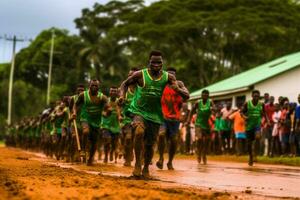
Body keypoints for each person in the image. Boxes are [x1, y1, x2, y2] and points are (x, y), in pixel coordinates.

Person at [119, 50, 189, 178]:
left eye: (159, 62)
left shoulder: (168, 77)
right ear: (149, 62)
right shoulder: (140, 74)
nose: (156, 65)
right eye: (153, 62)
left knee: (150, 144)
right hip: (138, 110)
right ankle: (137, 164)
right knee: (139, 132)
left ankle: (146, 167)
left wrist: (178, 89)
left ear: (162, 63)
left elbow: (187, 96)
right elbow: (124, 84)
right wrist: (122, 96)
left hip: (155, 114)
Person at [156, 67, 189, 170]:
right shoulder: (161, 84)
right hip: (162, 116)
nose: (171, 76)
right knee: (161, 135)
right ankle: (161, 158)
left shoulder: (179, 84)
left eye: (173, 75)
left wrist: (178, 90)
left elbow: (187, 96)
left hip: (175, 119)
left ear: (175, 76)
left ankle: (170, 161)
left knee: (174, 140)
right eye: (169, 74)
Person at [72, 79, 108, 166]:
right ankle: (83, 150)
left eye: (96, 86)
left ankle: (90, 158)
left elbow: (107, 106)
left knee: (94, 142)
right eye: (92, 85)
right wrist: (74, 112)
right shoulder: (83, 95)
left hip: (96, 121)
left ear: (99, 87)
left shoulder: (102, 97)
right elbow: (75, 105)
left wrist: (106, 111)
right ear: (89, 86)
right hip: (85, 118)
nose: (94, 87)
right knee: (85, 131)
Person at [188, 90, 214, 165]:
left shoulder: (211, 102)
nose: (205, 95)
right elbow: (192, 111)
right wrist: (188, 120)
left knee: (206, 141)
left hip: (206, 124)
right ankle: (198, 153)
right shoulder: (197, 102)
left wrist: (213, 110)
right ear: (201, 95)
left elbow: (215, 109)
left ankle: (204, 155)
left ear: (208, 95)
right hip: (198, 124)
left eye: (206, 94)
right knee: (199, 139)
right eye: (204, 94)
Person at [119, 67, 139, 166]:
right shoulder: (124, 90)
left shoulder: (141, 89)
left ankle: (139, 158)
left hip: (139, 117)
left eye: (133, 75)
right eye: (129, 75)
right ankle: (127, 157)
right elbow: (119, 104)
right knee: (128, 138)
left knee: (139, 138)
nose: (131, 77)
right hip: (127, 119)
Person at [242, 90, 266, 166]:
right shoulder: (247, 103)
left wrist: (266, 121)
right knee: (249, 144)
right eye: (255, 96)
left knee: (258, 137)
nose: (256, 97)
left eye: (258, 96)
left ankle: (255, 154)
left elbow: (264, 113)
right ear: (252, 96)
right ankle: (251, 156)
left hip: (257, 125)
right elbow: (241, 112)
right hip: (249, 126)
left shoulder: (261, 104)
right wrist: (244, 117)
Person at [101, 86, 122, 163]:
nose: (113, 92)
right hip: (106, 125)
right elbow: (102, 112)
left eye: (115, 91)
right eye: (112, 91)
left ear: (117, 93)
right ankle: (106, 156)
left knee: (114, 143)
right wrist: (106, 114)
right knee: (107, 141)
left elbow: (121, 111)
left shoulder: (119, 102)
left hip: (116, 126)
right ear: (109, 92)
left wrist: (120, 116)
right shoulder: (106, 101)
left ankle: (111, 152)